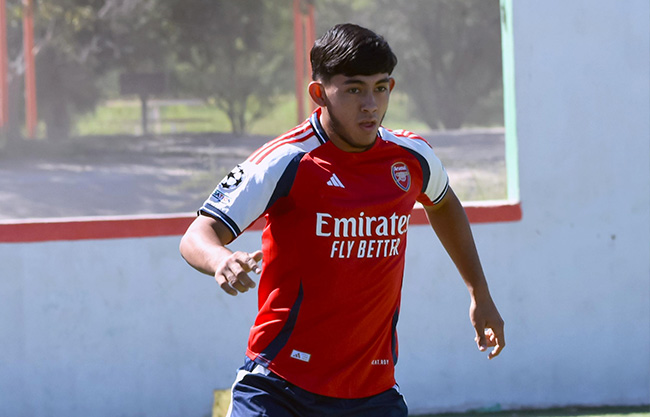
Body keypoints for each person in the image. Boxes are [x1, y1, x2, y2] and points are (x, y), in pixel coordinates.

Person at [180, 23, 505, 417]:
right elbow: (197, 234)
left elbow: (443, 203)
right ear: (319, 94)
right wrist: (220, 259)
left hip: (373, 392)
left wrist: (479, 293)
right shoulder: (287, 160)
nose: (370, 104)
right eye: (353, 90)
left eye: (380, 88)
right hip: (279, 386)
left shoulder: (411, 157)